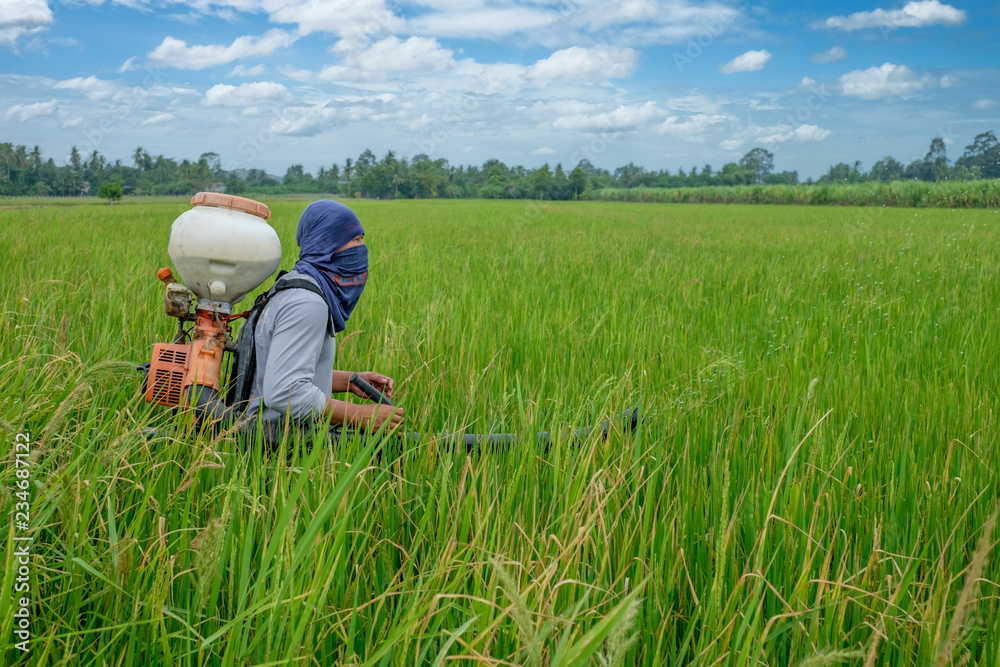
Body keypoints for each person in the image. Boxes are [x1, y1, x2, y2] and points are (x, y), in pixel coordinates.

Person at [243, 199, 404, 445]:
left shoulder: (294, 285)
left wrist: (350, 380)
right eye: (356, 240)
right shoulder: (308, 303)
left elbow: (274, 370)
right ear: (328, 243)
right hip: (276, 446)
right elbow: (287, 391)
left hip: (267, 437)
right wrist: (360, 415)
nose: (362, 248)